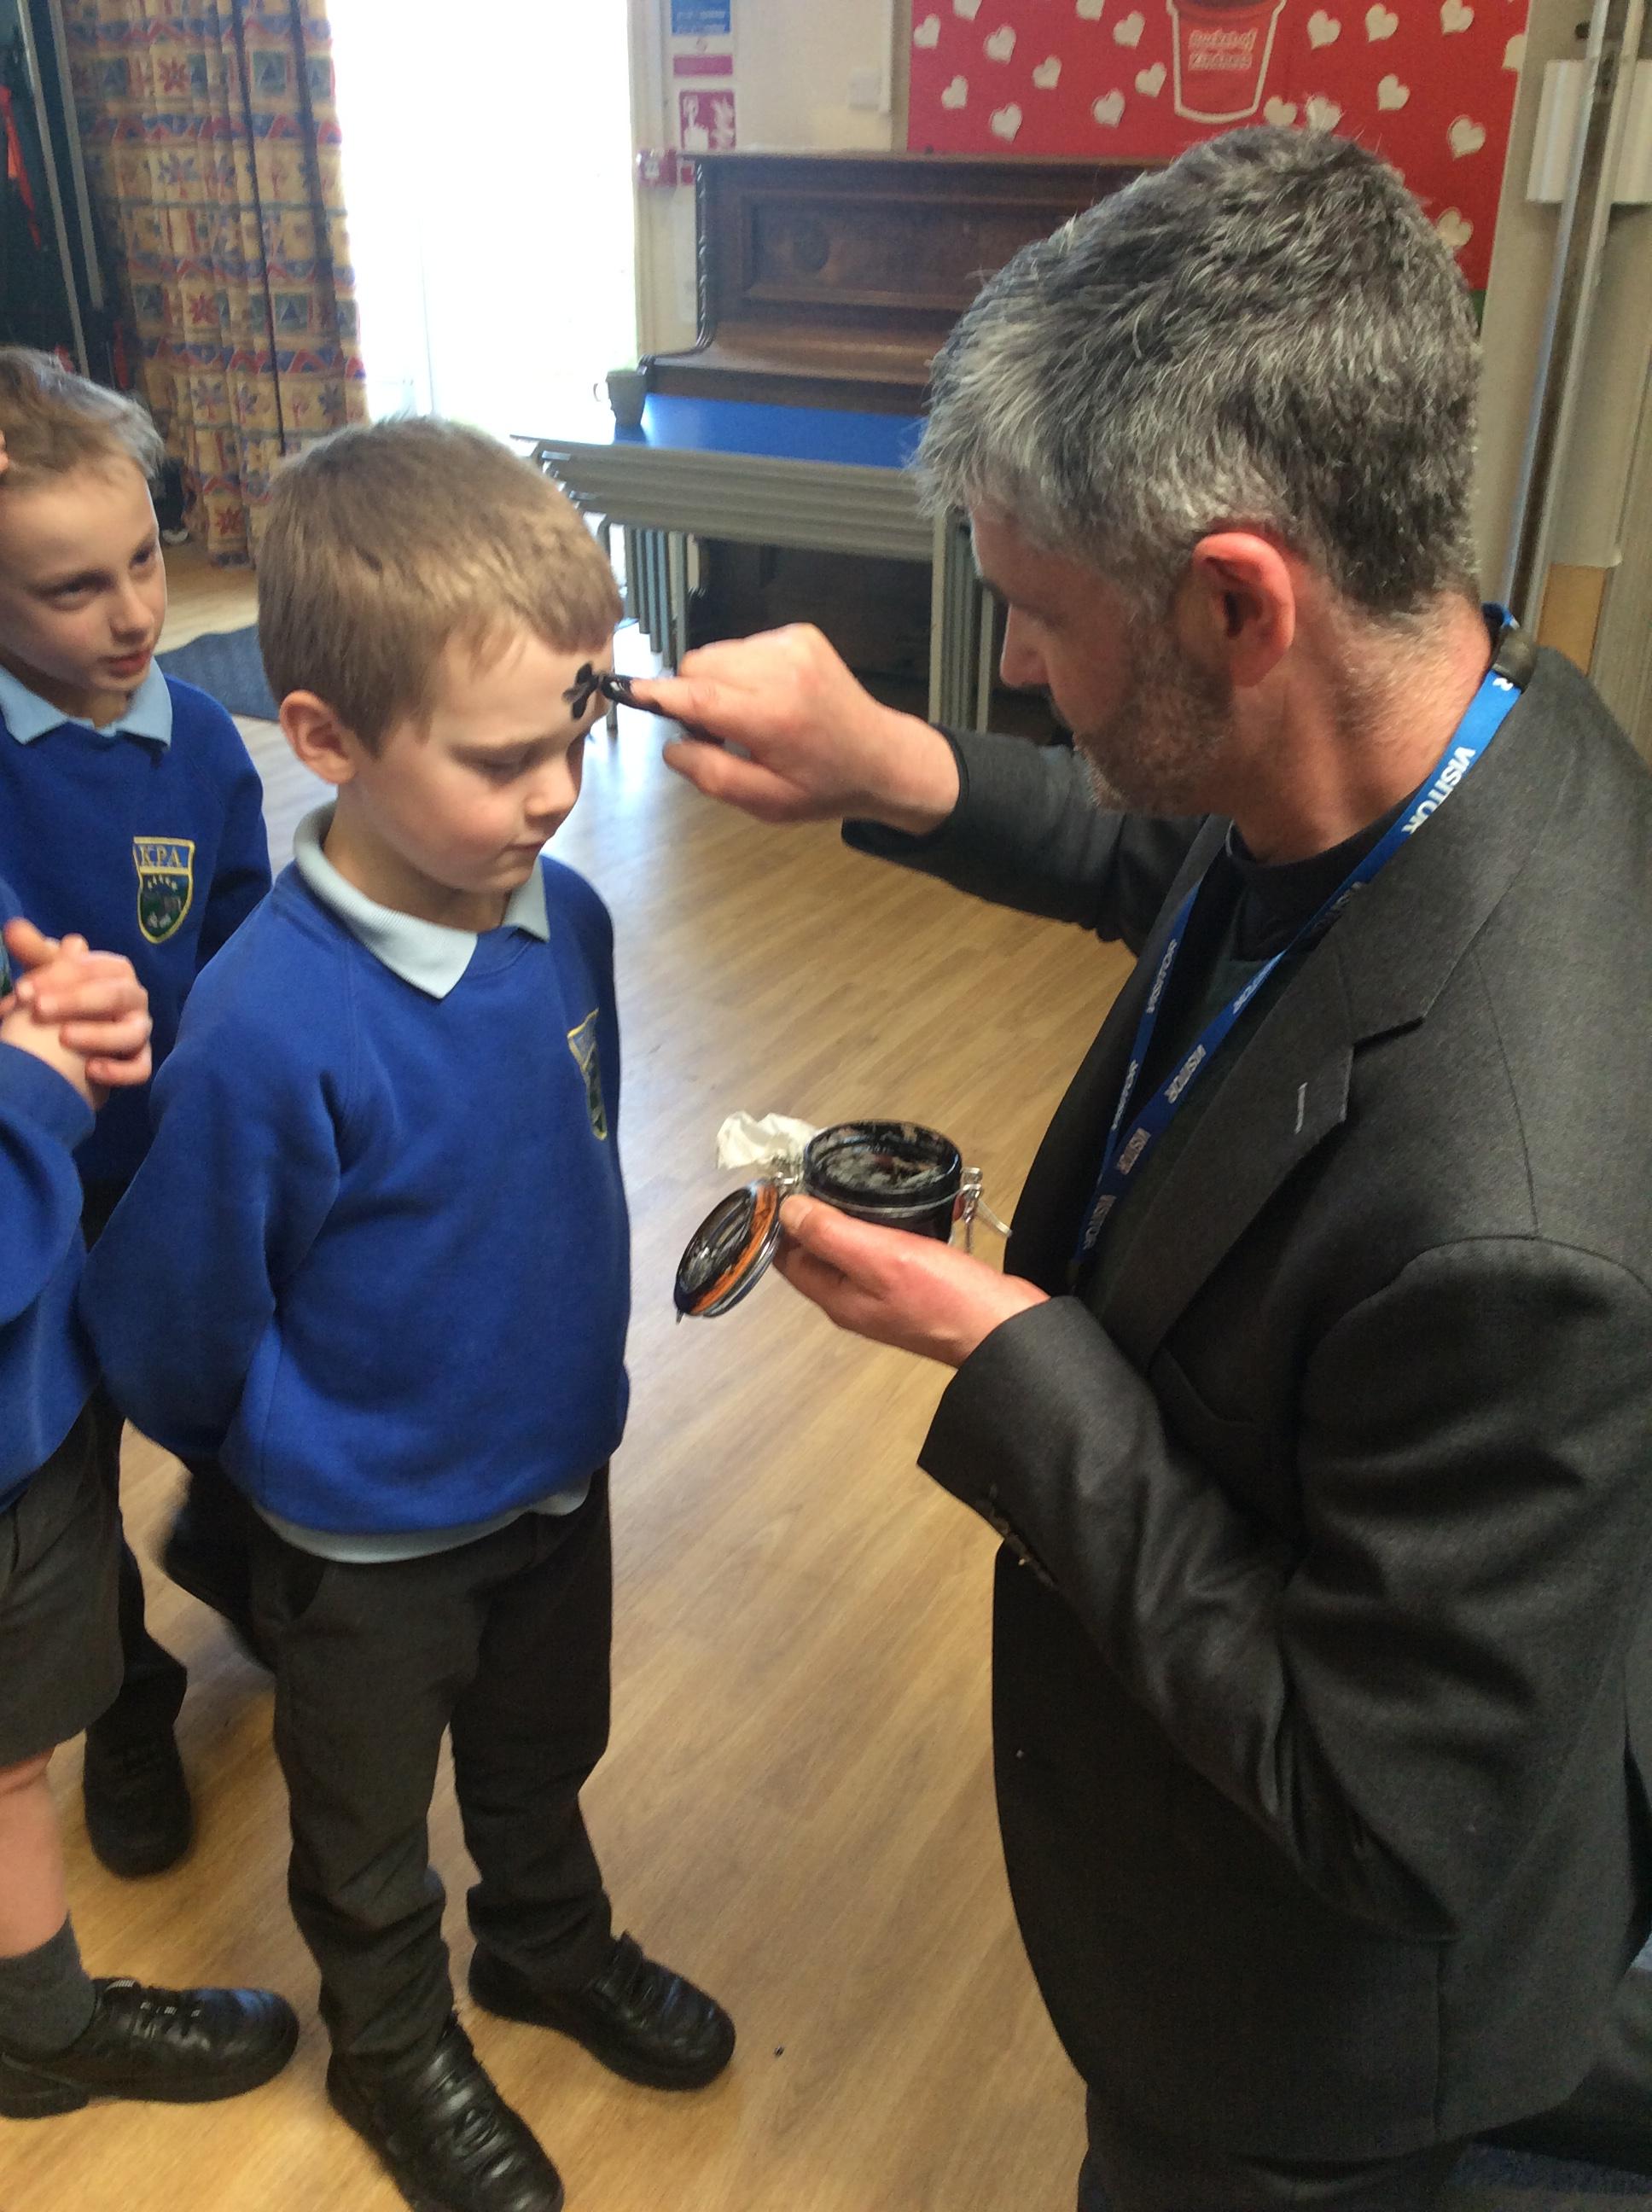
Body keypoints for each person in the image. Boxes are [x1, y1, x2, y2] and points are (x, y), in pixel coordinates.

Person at [636, 128, 1652, 2210]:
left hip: (1310, 2048)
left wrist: (1011, 1352)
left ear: (1234, 598)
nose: (1011, 666)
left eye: (1032, 615)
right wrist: (888, 765)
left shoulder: (1507, 1224)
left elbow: (1377, 1808)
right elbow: (1194, 869)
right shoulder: (1475, 712)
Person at [81, 417, 735, 2212]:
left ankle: (546, 1944)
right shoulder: (267, 1026)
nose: (558, 792)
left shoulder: (566, 920)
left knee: (541, 1750)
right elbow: (172, 1321)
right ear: (326, 740)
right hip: (362, 1537)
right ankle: (388, 2039)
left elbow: (565, 1153)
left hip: (554, 1473)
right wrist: (283, 1461)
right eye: (504, 757)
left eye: (579, 732)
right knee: (367, 1830)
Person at [0, 352, 273, 1882]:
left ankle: (233, 1549)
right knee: (65, 1485)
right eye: (70, 589)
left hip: (174, 1173)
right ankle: (123, 1709)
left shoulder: (205, 745)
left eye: (146, 560)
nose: (132, 614)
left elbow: (238, 943)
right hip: (30, 1197)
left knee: (232, 1389)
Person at [0, 887, 299, 2118]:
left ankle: (35, 2026)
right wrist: (31, 1092)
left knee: (12, 1760)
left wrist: (58, 1002)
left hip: (28, 1428)